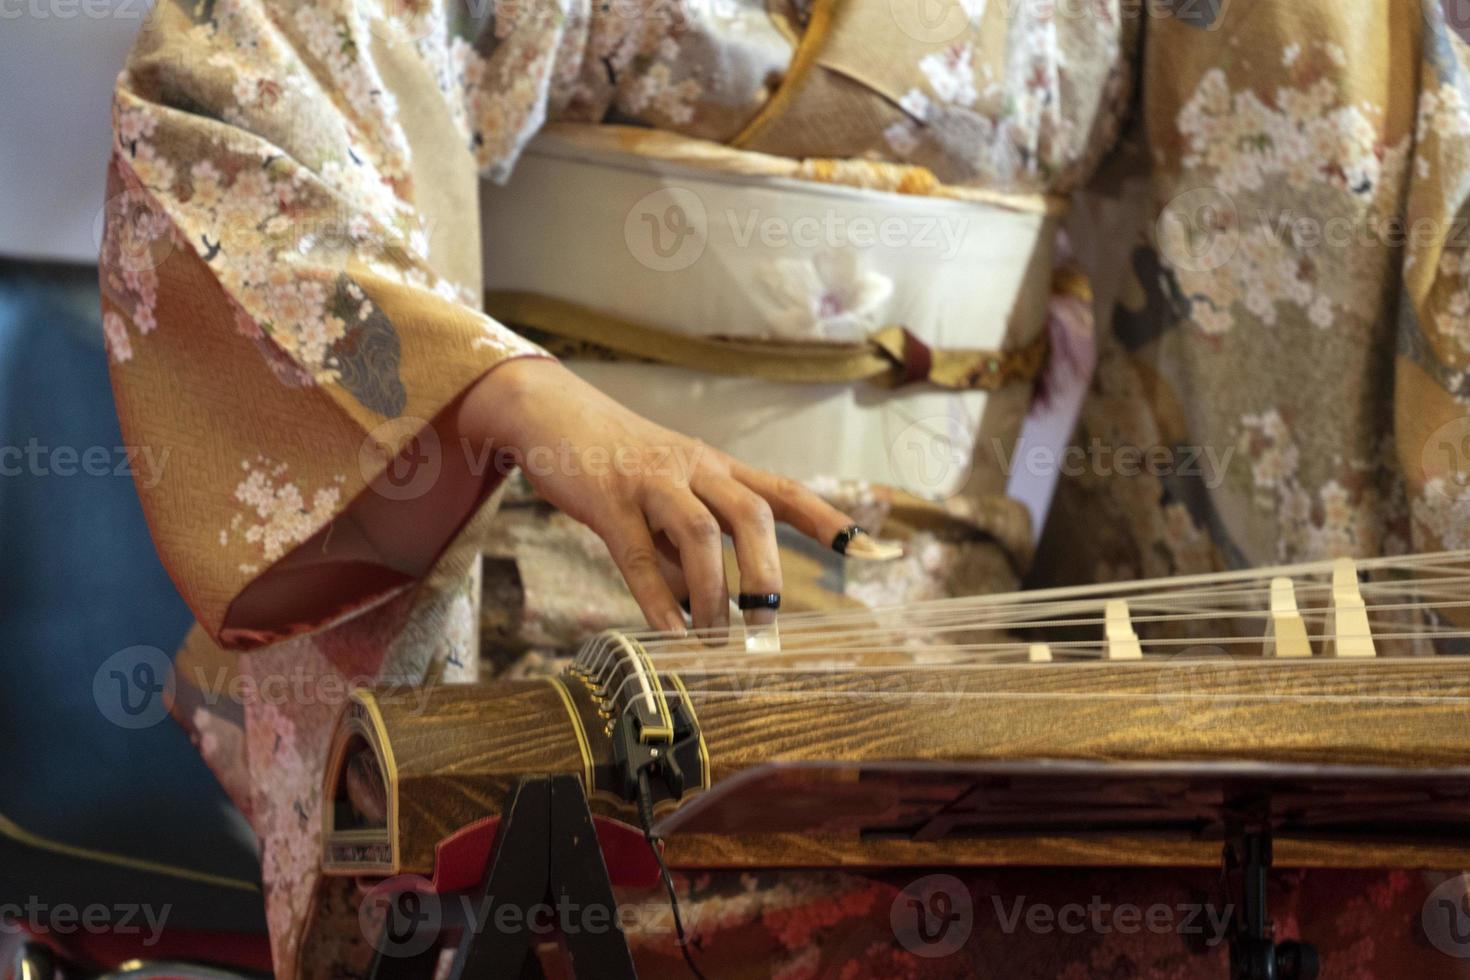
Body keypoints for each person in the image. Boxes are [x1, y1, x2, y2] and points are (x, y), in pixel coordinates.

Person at [101, 0, 1470, 976]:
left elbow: (1348, 163)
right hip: (580, 627)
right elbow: (242, 126)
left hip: (969, 674)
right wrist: (526, 407)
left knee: (1279, 893)